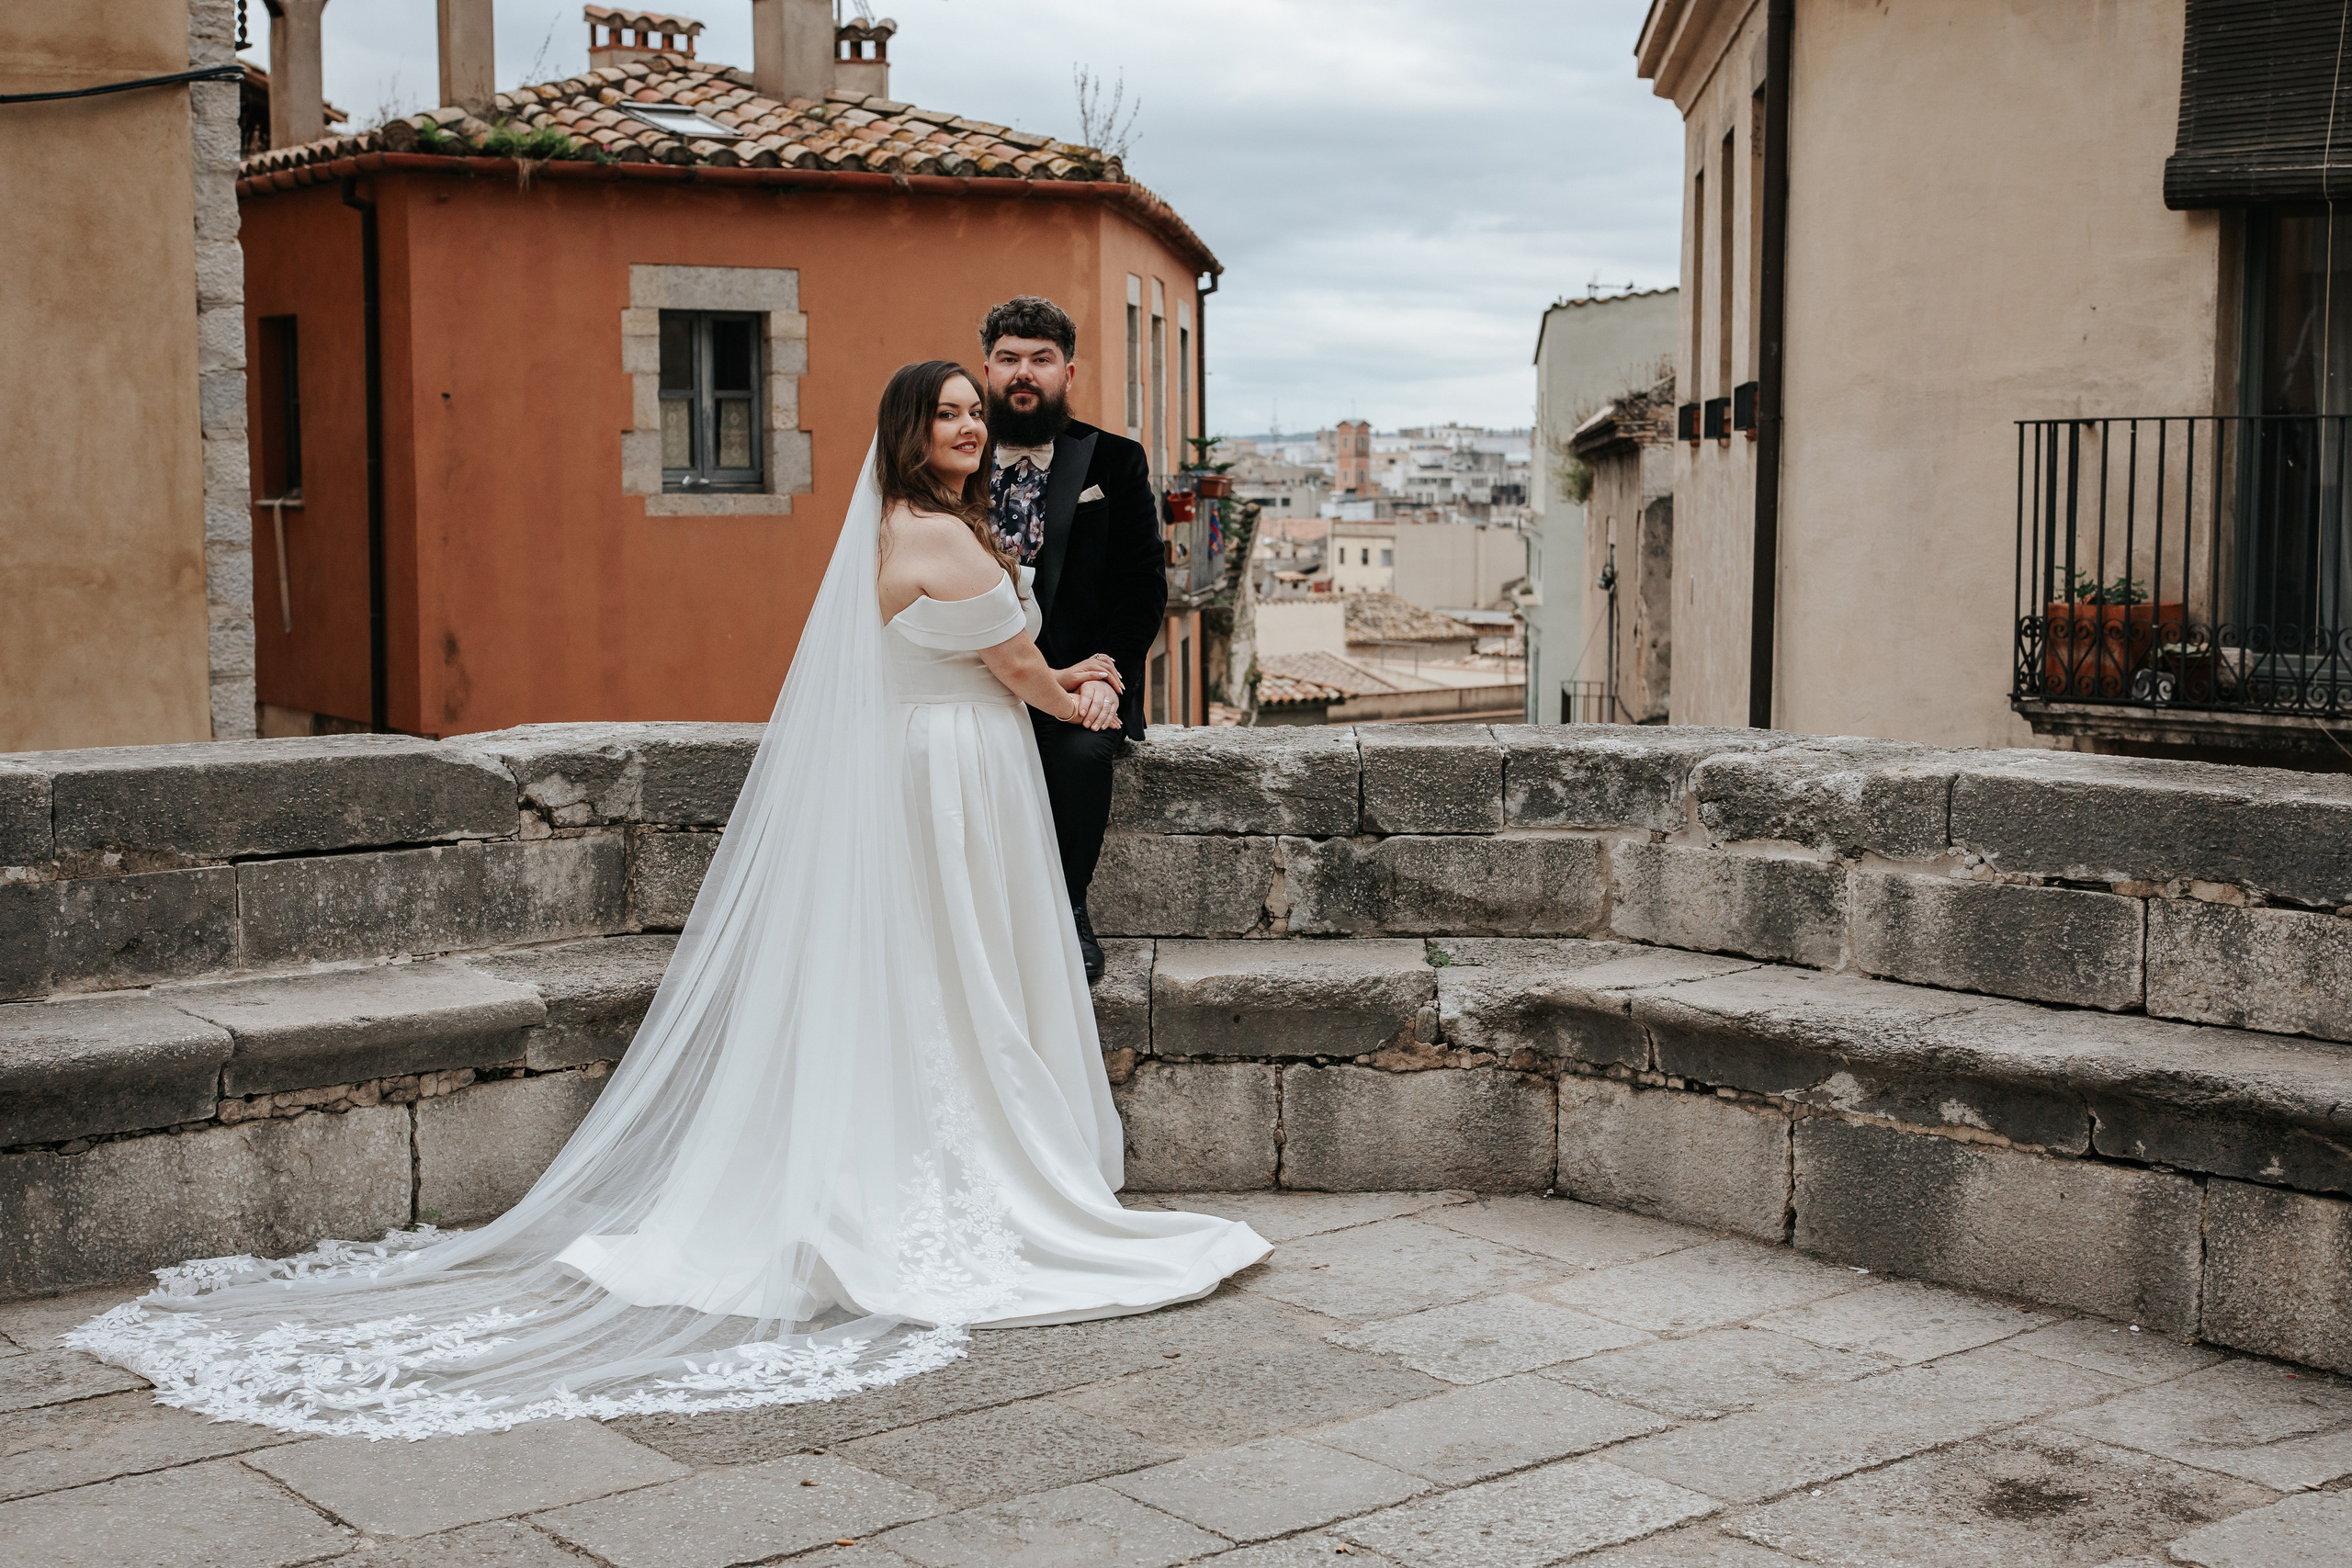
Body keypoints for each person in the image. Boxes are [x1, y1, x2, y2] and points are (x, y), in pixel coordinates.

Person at [67, 361, 1268, 1440]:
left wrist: (1062, 672)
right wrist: (1092, 691)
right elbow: (1022, 675)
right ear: (911, 431)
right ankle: (957, 1176)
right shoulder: (945, 540)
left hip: (925, 766)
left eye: (972, 411)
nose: (966, 424)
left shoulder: (892, 529)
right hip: (957, 774)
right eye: (947, 411)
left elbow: (991, 658)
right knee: (960, 971)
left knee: (924, 976)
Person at [978, 296, 1165, 982]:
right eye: (1009, 360)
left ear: (1068, 372)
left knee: (1086, 752)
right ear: (987, 369)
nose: (1023, 373)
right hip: (979, 678)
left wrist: (1101, 676)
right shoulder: (953, 458)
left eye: (1040, 360)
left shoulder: (1114, 461)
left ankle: (1069, 907)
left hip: (1080, 682)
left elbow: (1142, 585)